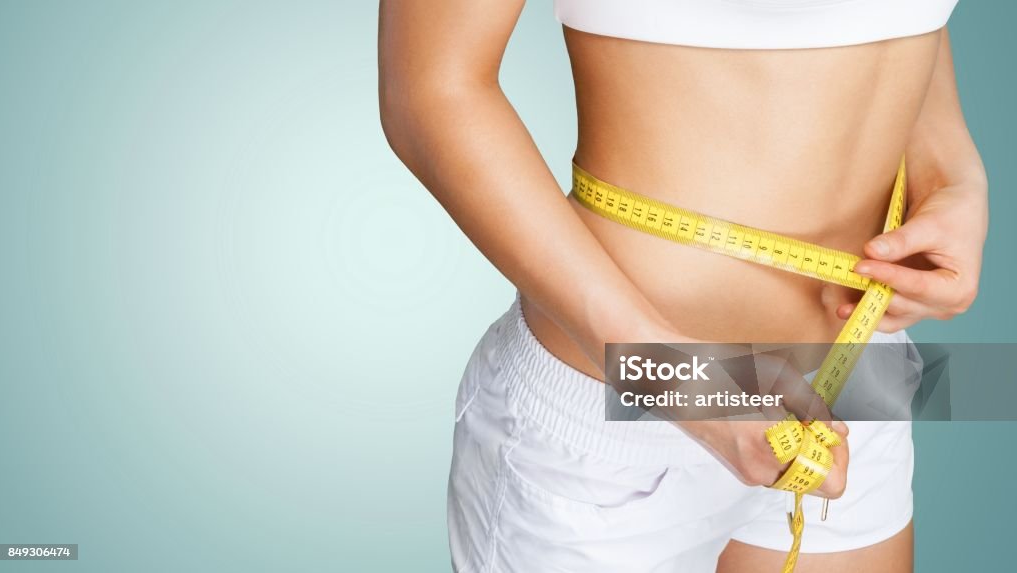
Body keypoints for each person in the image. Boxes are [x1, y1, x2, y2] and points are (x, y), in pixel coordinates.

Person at [378, 1, 987, 571]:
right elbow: (431, 89)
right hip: (622, 405)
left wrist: (952, 170)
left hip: (855, 383)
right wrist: (676, 378)